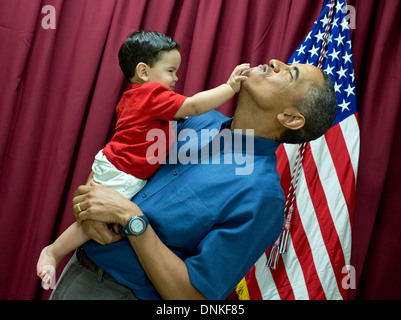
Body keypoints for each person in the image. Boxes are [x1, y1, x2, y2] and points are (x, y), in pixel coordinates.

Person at [50, 59, 337, 300]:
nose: (276, 62)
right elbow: (117, 159)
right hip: (75, 269)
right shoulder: (193, 118)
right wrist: (90, 205)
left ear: (290, 118)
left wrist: (132, 219)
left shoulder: (261, 196)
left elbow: (192, 299)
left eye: (290, 73)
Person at [36, 30, 250, 289]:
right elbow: (193, 105)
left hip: (114, 163)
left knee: (97, 218)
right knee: (93, 222)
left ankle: (55, 251)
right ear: (144, 72)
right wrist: (229, 87)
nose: (176, 78)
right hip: (123, 171)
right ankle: (53, 252)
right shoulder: (151, 95)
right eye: (170, 71)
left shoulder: (136, 97)